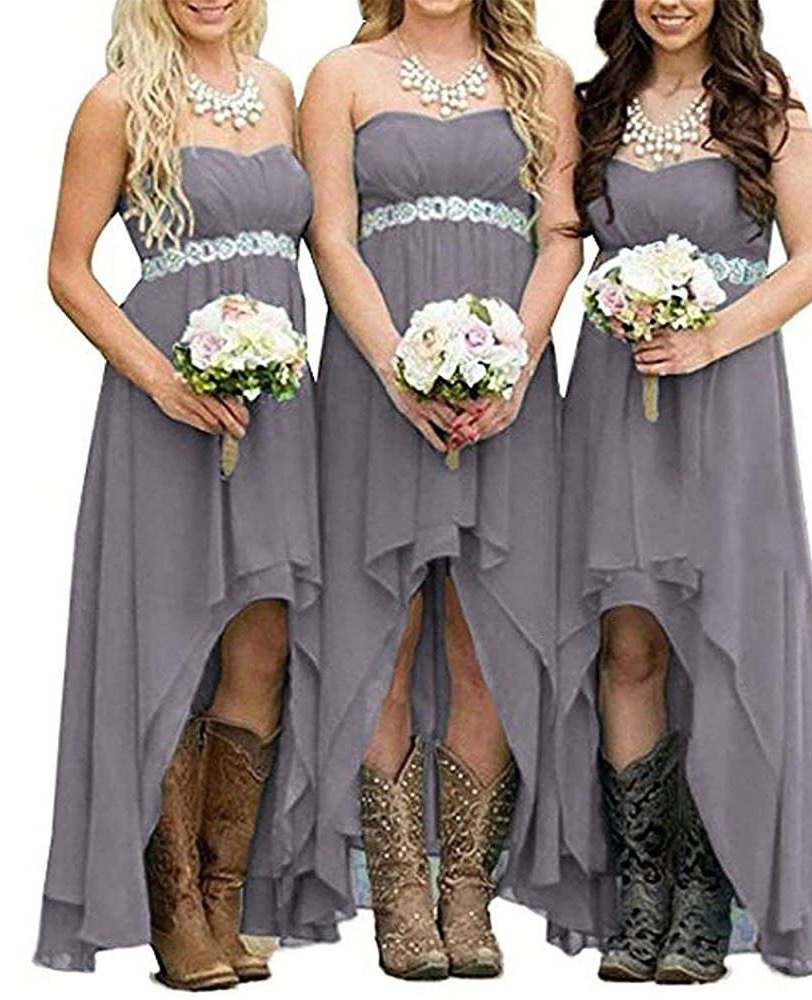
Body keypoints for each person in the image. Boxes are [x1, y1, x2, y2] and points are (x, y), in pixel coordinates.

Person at [35, 0, 324, 988]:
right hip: (165, 401)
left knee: (265, 636)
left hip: (281, 399)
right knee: (166, 638)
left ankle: (228, 886)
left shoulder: (283, 90)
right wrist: (162, 379)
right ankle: (176, 910)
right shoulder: (116, 101)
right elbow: (68, 270)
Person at [552, 0, 812, 983]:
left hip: (730, 396)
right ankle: (643, 892)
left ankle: (708, 894)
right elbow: (559, 241)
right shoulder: (595, 109)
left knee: (722, 636)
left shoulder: (768, 109)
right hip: (608, 396)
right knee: (625, 638)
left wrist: (712, 335)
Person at [301, 0, 581, 980]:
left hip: (510, 388)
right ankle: (400, 895)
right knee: (385, 622)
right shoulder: (340, 74)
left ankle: (467, 890)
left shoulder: (541, 74)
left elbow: (560, 235)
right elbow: (330, 237)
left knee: (488, 622)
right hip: (373, 382)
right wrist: (393, 369)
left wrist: (514, 361)